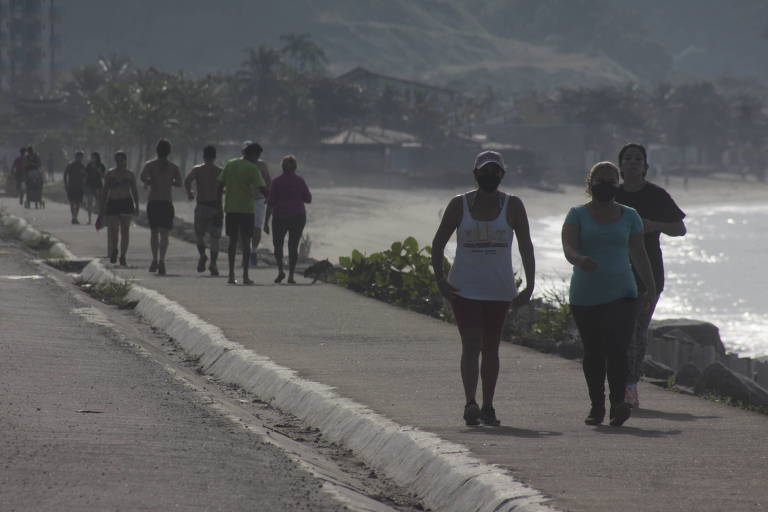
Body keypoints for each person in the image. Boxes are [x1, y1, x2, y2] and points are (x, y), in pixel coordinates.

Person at [431, 150, 535, 426]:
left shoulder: (513, 206)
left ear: (502, 174)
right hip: (464, 287)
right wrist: (441, 279)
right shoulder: (459, 204)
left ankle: (488, 405)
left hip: (499, 289)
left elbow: (526, 246)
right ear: (475, 174)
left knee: (491, 347)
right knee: (471, 343)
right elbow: (439, 242)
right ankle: (470, 402)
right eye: (485, 171)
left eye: (495, 172)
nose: (490, 176)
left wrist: (530, 284)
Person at [561, 161, 656, 427]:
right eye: (600, 180)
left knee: (618, 349)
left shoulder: (630, 216)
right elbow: (568, 247)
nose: (606, 185)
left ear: (618, 184)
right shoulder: (577, 214)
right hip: (586, 294)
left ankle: (618, 404)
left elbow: (639, 254)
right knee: (593, 351)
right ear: (590, 184)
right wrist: (580, 259)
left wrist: (650, 287)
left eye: (611, 180)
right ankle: (597, 406)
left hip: (623, 293)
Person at [615, 143, 687, 408]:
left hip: (649, 274)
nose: (633, 162)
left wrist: (652, 225)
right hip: (614, 272)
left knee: (637, 331)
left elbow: (680, 228)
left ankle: (630, 385)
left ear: (645, 166)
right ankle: (618, 384)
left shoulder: (657, 195)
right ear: (620, 165)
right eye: (627, 158)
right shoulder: (611, 194)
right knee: (616, 331)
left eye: (638, 159)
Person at [218, 141, 268, 285]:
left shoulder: (230, 164)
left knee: (232, 242)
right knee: (246, 242)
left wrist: (218, 205)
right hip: (247, 210)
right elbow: (262, 188)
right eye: (257, 155)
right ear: (252, 154)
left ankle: (231, 275)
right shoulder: (252, 168)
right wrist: (273, 198)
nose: (257, 158)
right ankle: (245, 276)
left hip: (231, 209)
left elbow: (220, 185)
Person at [264, 155, 311, 284]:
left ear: (282, 167)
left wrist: (265, 223)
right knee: (293, 245)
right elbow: (308, 199)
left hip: (280, 217)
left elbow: (270, 203)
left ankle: (280, 271)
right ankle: (291, 275)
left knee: (278, 245)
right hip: (298, 216)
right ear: (295, 167)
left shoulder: (276, 182)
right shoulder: (300, 181)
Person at [140, 139, 182, 276]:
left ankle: (154, 259)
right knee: (164, 234)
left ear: (156, 150)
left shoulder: (150, 165)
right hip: (166, 202)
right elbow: (179, 183)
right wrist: (169, 182)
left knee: (154, 232)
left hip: (154, 202)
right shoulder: (173, 167)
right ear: (169, 151)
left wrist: (150, 181)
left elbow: (142, 177)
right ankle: (162, 260)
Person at [184, 145, 223, 276]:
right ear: (215, 156)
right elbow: (226, 186)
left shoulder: (197, 170)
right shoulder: (219, 171)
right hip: (216, 207)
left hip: (201, 206)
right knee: (214, 238)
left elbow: (187, 180)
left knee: (199, 235)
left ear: (203, 156)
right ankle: (213, 263)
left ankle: (202, 255)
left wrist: (189, 193)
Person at [100, 151, 139, 266]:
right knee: (113, 230)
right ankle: (114, 250)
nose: (119, 162)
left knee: (125, 231)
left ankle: (123, 255)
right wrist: (102, 206)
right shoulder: (110, 174)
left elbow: (135, 191)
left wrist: (136, 205)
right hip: (113, 203)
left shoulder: (130, 174)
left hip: (126, 202)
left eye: (121, 160)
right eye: (117, 160)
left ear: (125, 160)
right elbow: (105, 190)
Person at [250, 148, 272, 266]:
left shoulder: (262, 164)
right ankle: (247, 252)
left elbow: (268, 181)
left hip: (259, 199)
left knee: (257, 227)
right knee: (243, 228)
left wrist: (268, 197)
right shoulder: (240, 163)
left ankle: (253, 252)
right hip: (244, 199)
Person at [63, 151, 87, 224]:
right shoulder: (70, 165)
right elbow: (65, 174)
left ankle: (75, 217)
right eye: (79, 157)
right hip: (71, 186)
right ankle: (73, 217)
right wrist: (66, 184)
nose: (80, 158)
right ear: (76, 157)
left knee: (78, 203)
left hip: (79, 187)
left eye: (81, 157)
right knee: (72, 203)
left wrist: (84, 185)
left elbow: (85, 176)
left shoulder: (82, 166)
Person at [84, 152, 106, 225]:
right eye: (92, 157)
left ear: (97, 158)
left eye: (94, 157)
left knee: (99, 203)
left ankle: (99, 220)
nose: (93, 159)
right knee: (89, 202)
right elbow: (85, 175)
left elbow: (103, 176)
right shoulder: (89, 165)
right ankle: (89, 220)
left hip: (98, 185)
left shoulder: (101, 165)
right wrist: (84, 185)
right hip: (89, 185)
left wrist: (99, 172)